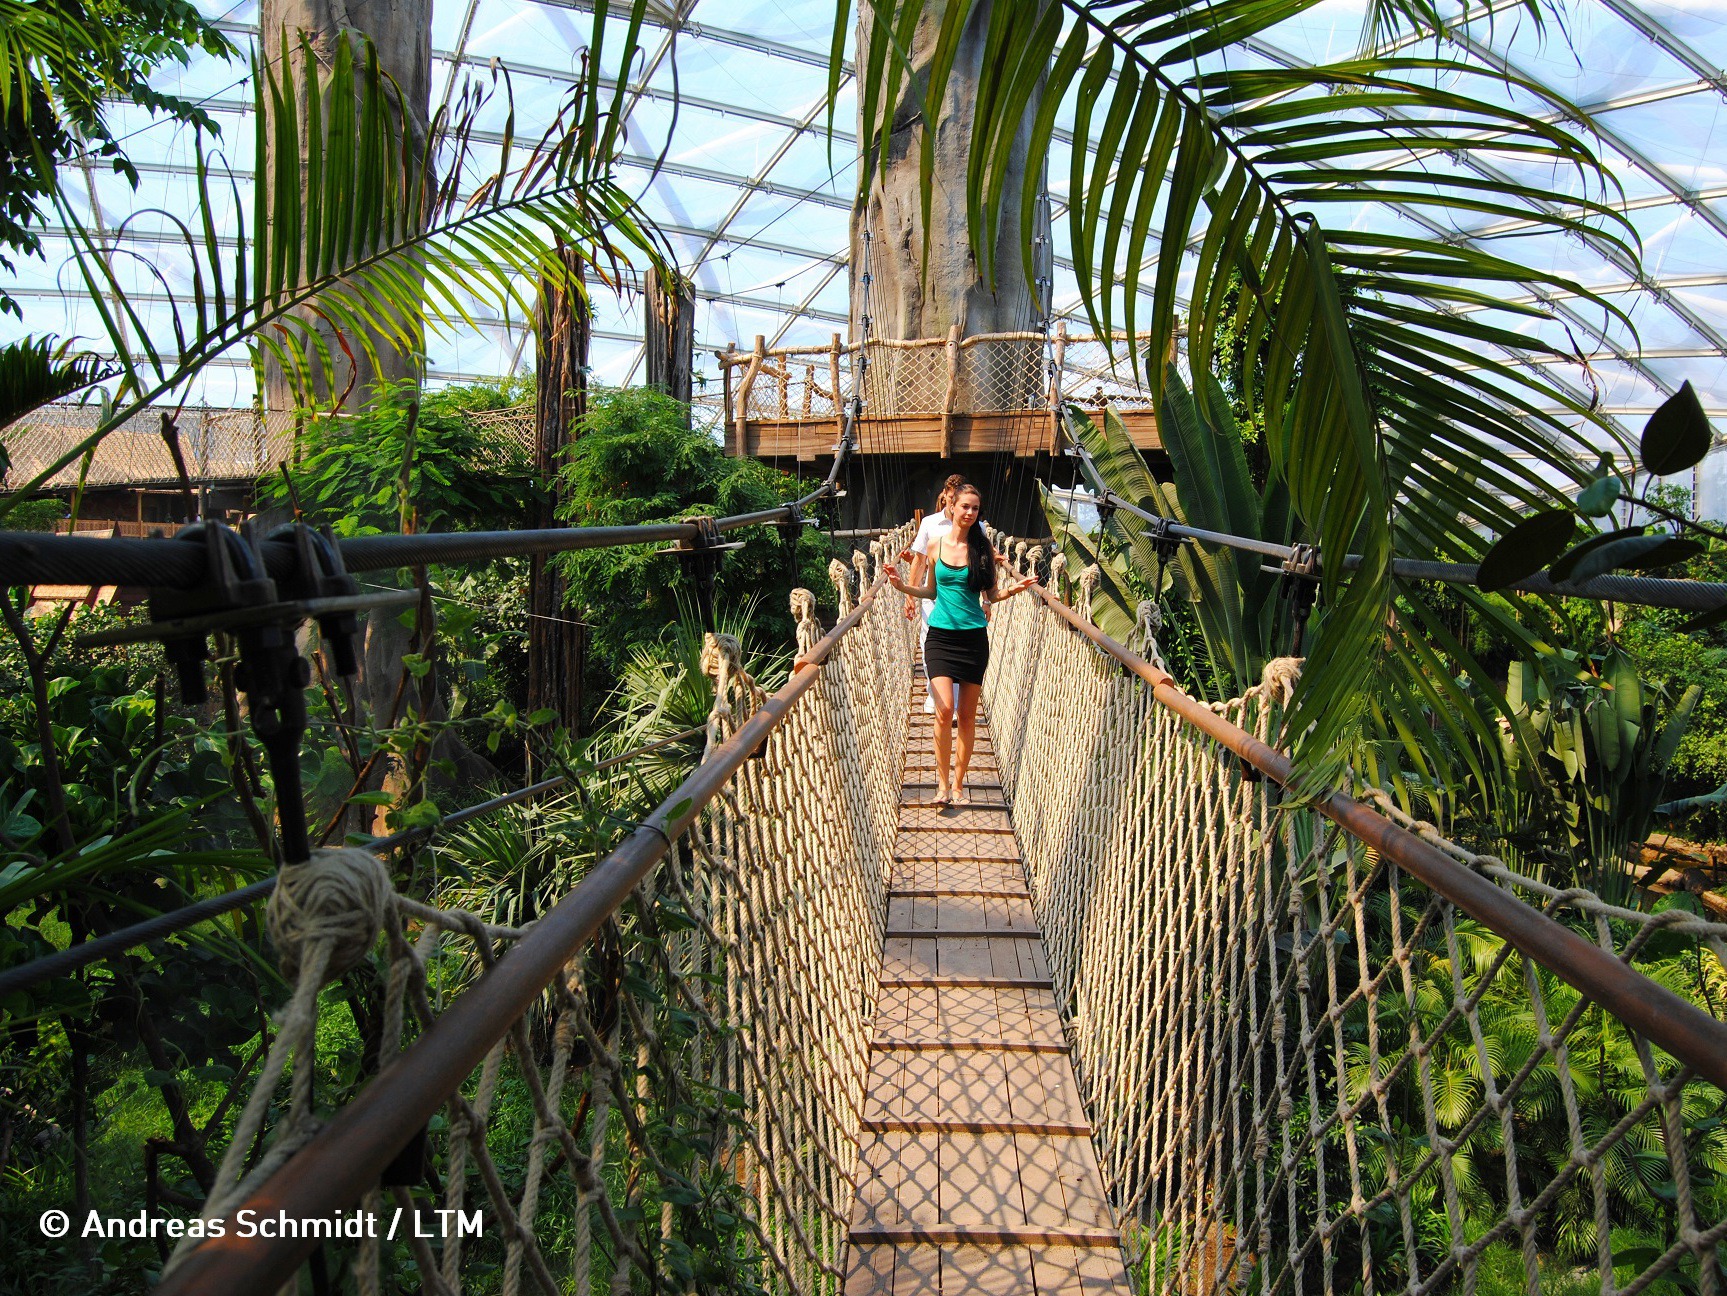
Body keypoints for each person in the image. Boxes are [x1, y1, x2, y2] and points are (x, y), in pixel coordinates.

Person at [888, 483, 1037, 806]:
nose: (970, 513)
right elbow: (931, 592)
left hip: (973, 638)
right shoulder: (934, 547)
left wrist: (1017, 588)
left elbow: (991, 596)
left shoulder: (983, 549)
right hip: (940, 636)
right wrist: (903, 588)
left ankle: (957, 785)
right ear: (951, 507)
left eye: (975, 509)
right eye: (965, 507)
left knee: (967, 716)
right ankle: (941, 785)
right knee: (944, 710)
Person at [903, 474, 967, 714]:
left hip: (962, 599)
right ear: (945, 496)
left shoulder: (974, 523)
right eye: (951, 499)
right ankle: (936, 694)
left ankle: (953, 702)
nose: (953, 504)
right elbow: (919, 562)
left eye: (957, 499)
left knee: (959, 646)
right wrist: (910, 595)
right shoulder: (929, 523)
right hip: (934, 596)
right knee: (930, 643)